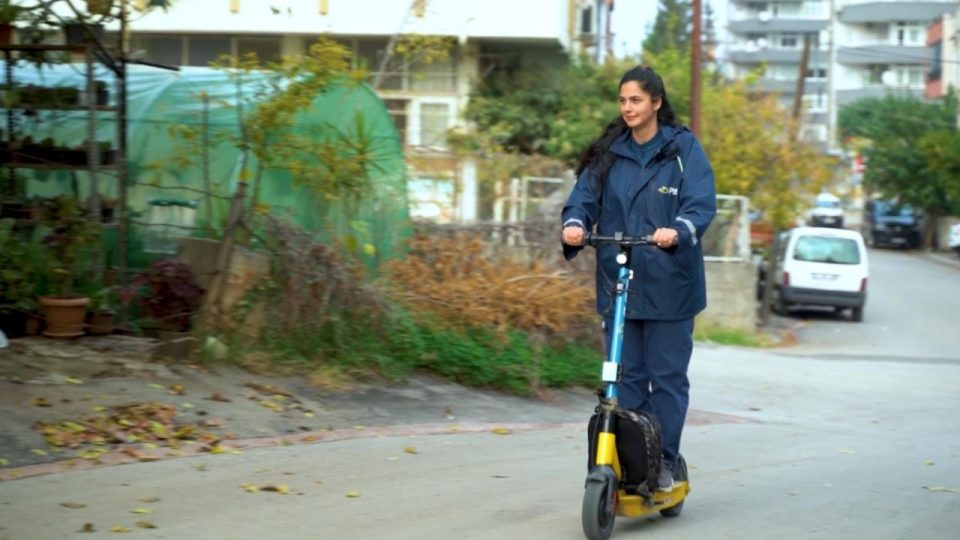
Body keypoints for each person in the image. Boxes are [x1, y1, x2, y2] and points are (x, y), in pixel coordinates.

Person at [560, 65, 716, 491]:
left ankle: (663, 461)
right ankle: (634, 462)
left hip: (671, 286)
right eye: (623, 100)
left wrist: (678, 230)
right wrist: (575, 223)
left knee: (666, 380)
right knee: (624, 377)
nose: (627, 108)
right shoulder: (610, 152)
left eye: (636, 100)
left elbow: (700, 204)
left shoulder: (682, 149)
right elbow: (582, 198)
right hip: (620, 284)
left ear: (656, 103)